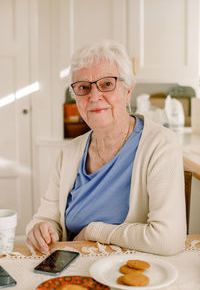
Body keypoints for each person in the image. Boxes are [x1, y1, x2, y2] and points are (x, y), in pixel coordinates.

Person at [26, 39, 186, 255]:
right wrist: (42, 229)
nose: (94, 96)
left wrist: (94, 231)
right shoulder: (69, 153)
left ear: (128, 90)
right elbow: (45, 219)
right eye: (83, 87)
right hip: (75, 271)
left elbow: (168, 240)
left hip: (133, 275)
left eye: (107, 84)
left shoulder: (160, 144)